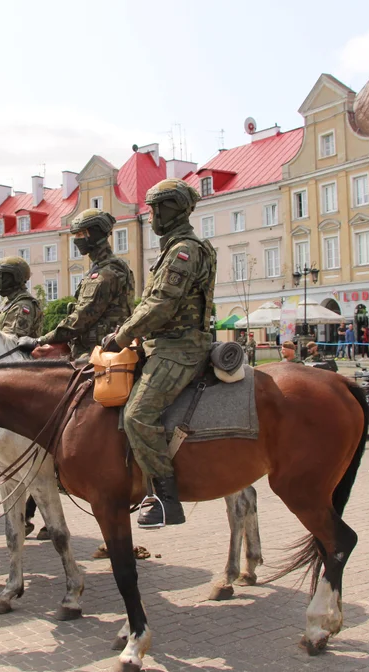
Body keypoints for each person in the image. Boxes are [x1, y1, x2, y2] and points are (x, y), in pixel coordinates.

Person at [101, 178, 213, 529]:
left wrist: (121, 337)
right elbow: (150, 303)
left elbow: (162, 305)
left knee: (137, 415)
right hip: (162, 345)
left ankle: (168, 499)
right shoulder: (173, 249)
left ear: (173, 209)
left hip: (180, 348)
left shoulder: (185, 250)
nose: (150, 216)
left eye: (155, 208)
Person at [35, 210, 134, 359]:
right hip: (94, 351)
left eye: (80, 234)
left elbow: (83, 316)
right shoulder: (100, 268)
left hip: (99, 354)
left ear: (93, 234)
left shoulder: (107, 272)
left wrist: (41, 340)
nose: (76, 240)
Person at [0, 256, 42, 337]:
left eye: (0, 275)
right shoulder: (8, 301)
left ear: (15, 277)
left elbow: (10, 342)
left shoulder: (23, 305)